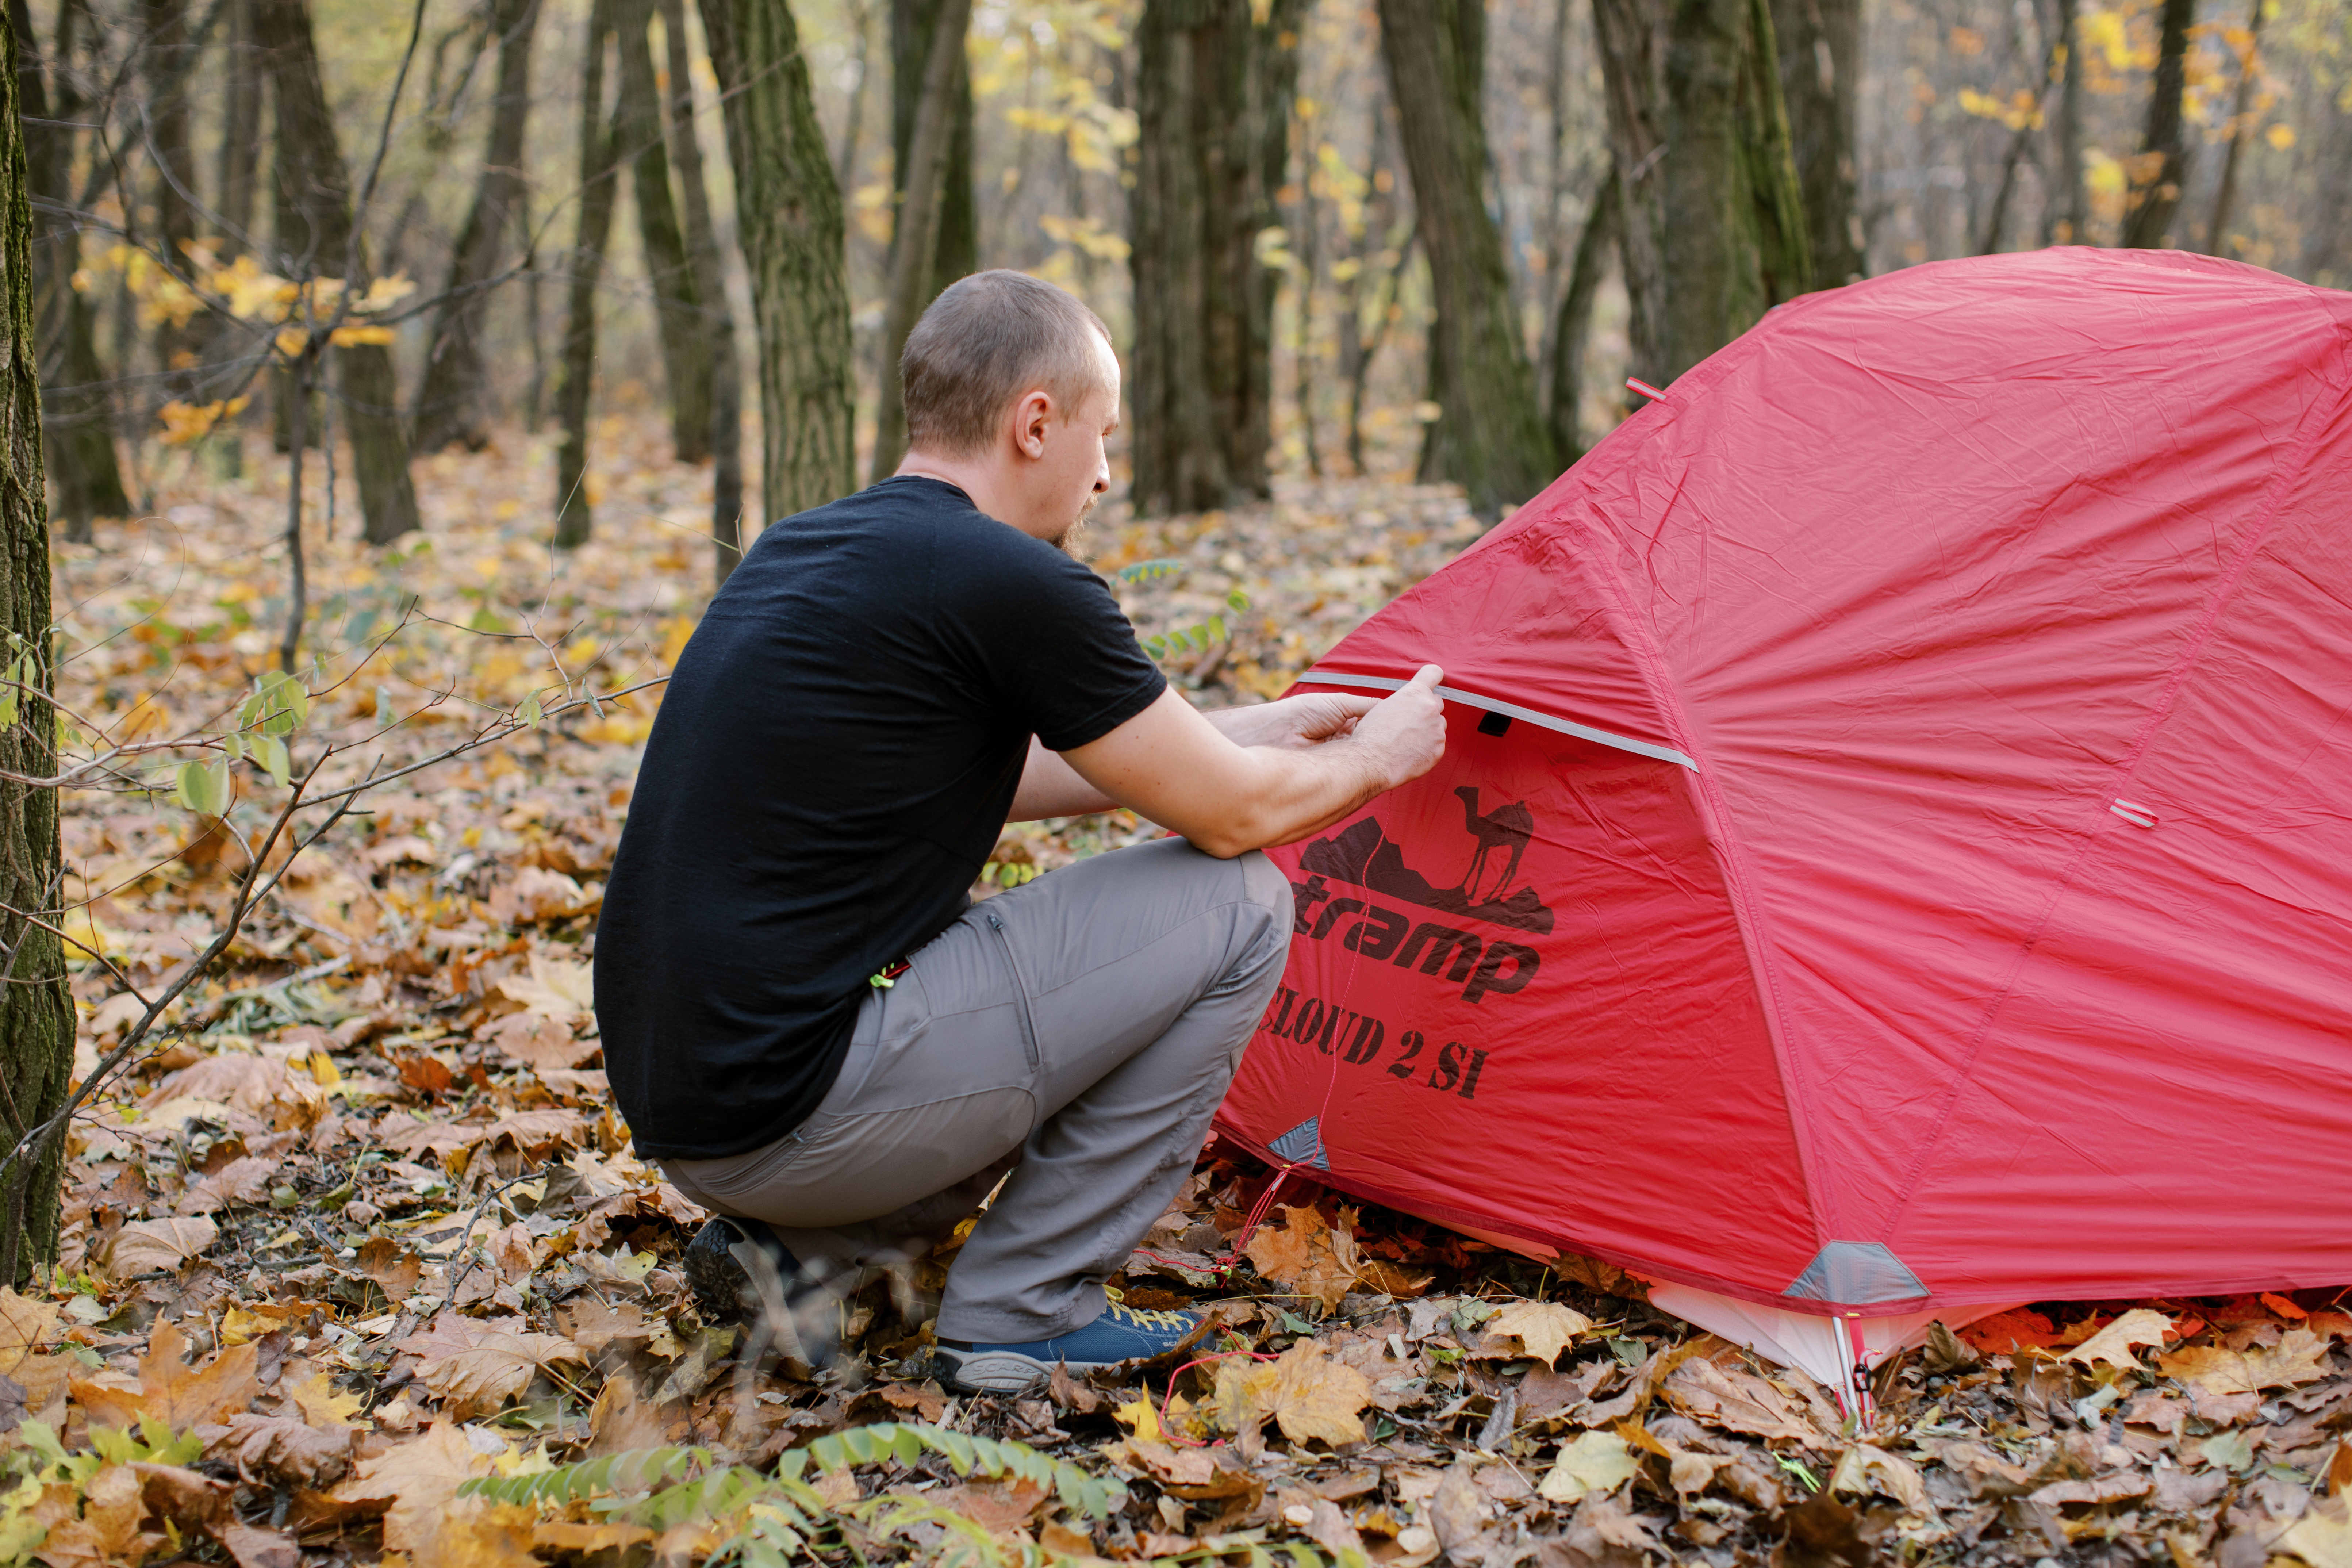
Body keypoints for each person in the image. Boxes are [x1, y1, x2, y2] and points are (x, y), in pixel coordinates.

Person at [593, 270, 1446, 1393]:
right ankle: (1025, 1313)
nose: (1103, 476)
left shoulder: (808, 549)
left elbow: (973, 778)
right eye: (1100, 437)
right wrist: (1383, 755)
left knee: (1051, 953)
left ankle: (808, 1258)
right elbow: (1235, 817)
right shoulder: (1010, 576)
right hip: (795, 1113)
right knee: (1236, 904)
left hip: (691, 1106)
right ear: (1033, 421)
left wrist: (1259, 727)